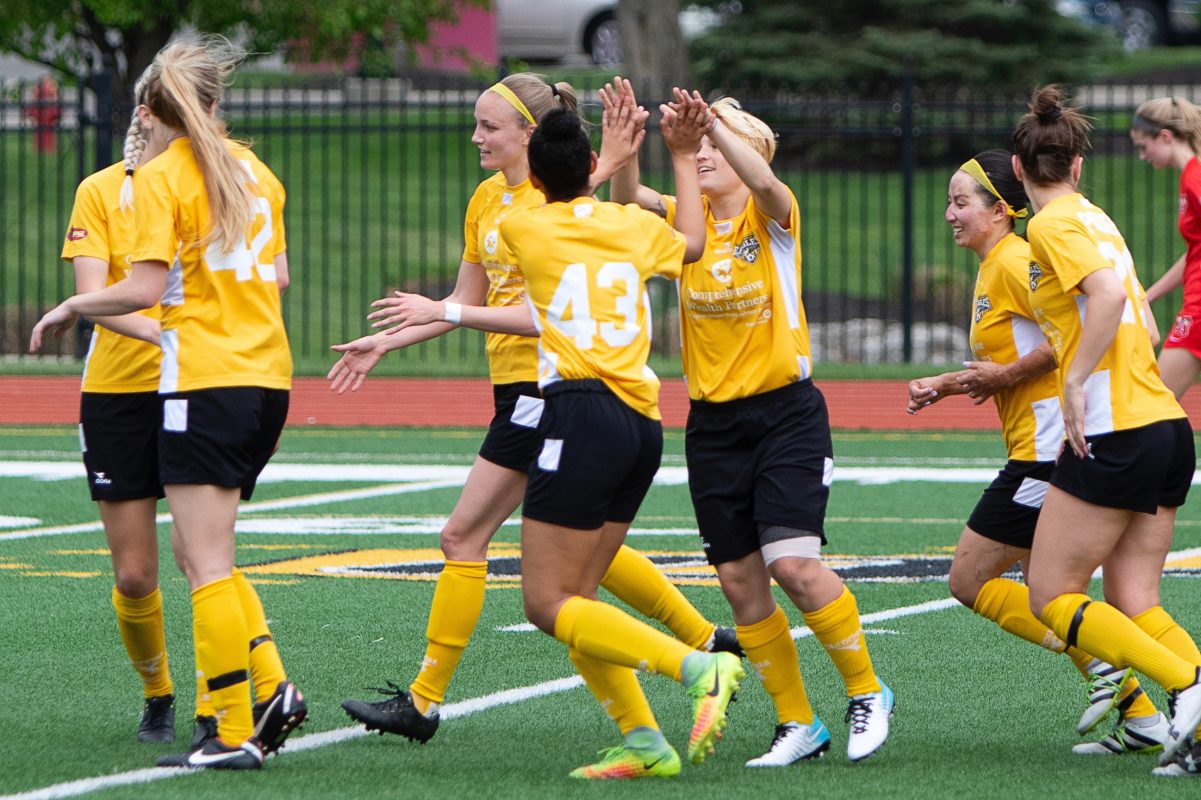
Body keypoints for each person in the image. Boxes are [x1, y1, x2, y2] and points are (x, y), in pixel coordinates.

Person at [332, 74, 740, 745]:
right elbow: (466, 297)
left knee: (468, 540)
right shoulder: (497, 203)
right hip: (573, 399)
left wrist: (449, 311)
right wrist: (389, 339)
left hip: (549, 396)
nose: (476, 138)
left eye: (489, 126)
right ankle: (682, 673)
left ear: (531, 133)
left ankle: (426, 699)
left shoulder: (536, 214)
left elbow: (536, 310)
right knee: (578, 578)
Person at [31, 35, 305, 770]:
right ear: (214, 102)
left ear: (151, 110)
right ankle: (252, 701)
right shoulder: (255, 171)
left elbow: (145, 291)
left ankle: (227, 729)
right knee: (201, 554)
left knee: (207, 561)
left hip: (203, 379)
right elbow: (274, 277)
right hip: (266, 378)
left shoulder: (164, 178)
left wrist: (73, 304)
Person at [610, 86, 892, 765]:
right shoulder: (688, 219)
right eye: (700, 143)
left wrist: (713, 127)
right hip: (711, 424)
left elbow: (765, 180)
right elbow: (625, 200)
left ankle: (865, 690)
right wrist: (631, 143)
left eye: (716, 143)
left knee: (793, 565)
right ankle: (798, 723)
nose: (704, 152)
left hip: (784, 415)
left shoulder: (773, 217)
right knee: (739, 583)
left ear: (748, 151)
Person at [909, 149, 1170, 755]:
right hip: (1038, 446)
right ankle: (1142, 716)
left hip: (1046, 451)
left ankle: (1125, 673)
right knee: (1049, 588)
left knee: (971, 579)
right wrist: (950, 384)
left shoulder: (1017, 260)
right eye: (949, 201)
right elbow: (1021, 354)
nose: (949, 213)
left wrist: (995, 379)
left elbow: (1070, 337)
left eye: (961, 202)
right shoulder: (995, 263)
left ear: (1001, 210)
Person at [1011, 85, 1201, 775]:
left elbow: (1111, 299)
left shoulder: (1049, 227)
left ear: (1015, 167)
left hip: (1116, 428)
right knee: (1132, 600)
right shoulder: (1095, 218)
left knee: (1051, 597)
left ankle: (1187, 688)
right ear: (1079, 166)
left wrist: (1070, 379)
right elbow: (1144, 324)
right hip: (1161, 424)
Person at [60, 66, 176, 745]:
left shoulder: (210, 188)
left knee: (203, 557)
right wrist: (170, 330)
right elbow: (99, 300)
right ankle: (157, 693)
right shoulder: (102, 190)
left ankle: (242, 696)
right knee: (135, 574)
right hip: (118, 394)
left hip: (196, 387)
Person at [1131, 96, 1201, 401]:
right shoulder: (1189, 177)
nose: (1142, 157)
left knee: (1153, 406)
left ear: (1165, 136)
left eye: (1144, 147)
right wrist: (1149, 295)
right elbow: (1194, 254)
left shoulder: (1195, 177)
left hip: (1198, 313)